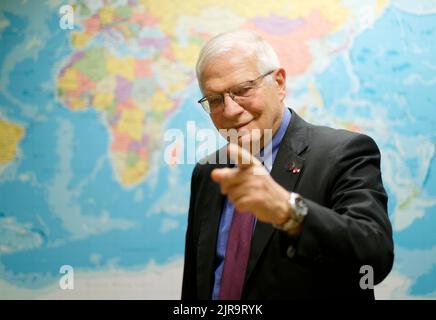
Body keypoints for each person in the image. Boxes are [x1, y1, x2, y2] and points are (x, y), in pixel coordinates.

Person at [181, 30, 394, 300]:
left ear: (279, 83)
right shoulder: (208, 171)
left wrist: (290, 212)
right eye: (215, 100)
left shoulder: (344, 153)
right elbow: (196, 284)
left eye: (243, 90)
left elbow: (374, 258)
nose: (231, 110)